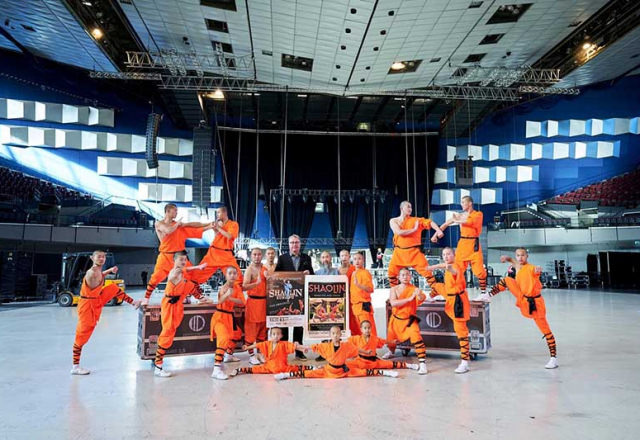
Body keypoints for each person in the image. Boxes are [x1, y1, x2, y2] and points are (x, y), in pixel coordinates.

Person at [476, 248, 558, 369]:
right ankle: (487, 295)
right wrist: (506, 258)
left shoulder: (531, 268)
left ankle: (553, 358)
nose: (520, 258)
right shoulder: (518, 266)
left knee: (546, 330)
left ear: (527, 256)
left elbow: (535, 272)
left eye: (523, 255)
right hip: (522, 297)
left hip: (535, 302)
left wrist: (538, 271)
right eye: (518, 255)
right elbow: (513, 261)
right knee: (507, 280)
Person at [71, 250, 141, 375]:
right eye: (99, 257)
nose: (102, 259)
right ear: (92, 258)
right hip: (88, 305)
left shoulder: (97, 271)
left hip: (96, 299)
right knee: (82, 334)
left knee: (113, 288)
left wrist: (109, 271)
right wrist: (107, 272)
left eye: (103, 257)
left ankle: (133, 302)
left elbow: (100, 275)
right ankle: (75, 366)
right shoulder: (92, 272)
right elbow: (97, 276)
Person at [153, 252, 210, 377]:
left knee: (171, 331)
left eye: (185, 260)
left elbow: (187, 278)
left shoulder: (182, 273)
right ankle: (158, 365)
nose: (183, 262)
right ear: (174, 260)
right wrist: (196, 268)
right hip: (170, 305)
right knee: (167, 332)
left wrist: (199, 296)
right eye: (181, 259)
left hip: (178, 305)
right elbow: (179, 273)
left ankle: (158, 363)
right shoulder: (173, 273)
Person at [274, 326, 398, 380]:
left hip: (343, 371)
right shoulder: (325, 346)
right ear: (330, 335)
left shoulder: (346, 345)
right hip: (328, 370)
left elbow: (357, 349)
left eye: (337, 333)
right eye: (333, 334)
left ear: (340, 334)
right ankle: (285, 375)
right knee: (306, 373)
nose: (335, 335)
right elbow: (311, 347)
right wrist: (300, 347)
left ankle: (386, 373)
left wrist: (366, 351)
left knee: (366, 372)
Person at [144, 203, 212, 301]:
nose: (177, 213)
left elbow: (195, 229)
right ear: (168, 211)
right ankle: (146, 298)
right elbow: (168, 230)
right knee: (156, 277)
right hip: (165, 256)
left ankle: (200, 297)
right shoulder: (159, 223)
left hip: (179, 256)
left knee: (191, 276)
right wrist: (178, 223)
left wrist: (209, 225)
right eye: (175, 210)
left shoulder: (178, 226)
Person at [427, 247, 471, 374]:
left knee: (461, 331)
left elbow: (452, 269)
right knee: (439, 285)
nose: (446, 257)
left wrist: (446, 268)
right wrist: (433, 267)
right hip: (450, 296)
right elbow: (445, 265)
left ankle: (464, 362)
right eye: (444, 254)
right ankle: (430, 296)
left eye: (448, 254)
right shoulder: (449, 264)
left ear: (454, 255)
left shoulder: (455, 267)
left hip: (458, 301)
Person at [381, 267, 428, 375]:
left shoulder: (414, 288)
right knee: (391, 340)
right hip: (396, 320)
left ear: (410, 276)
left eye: (407, 274)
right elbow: (393, 303)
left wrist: (419, 293)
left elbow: (421, 298)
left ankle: (422, 363)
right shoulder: (394, 289)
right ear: (398, 277)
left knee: (417, 338)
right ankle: (391, 352)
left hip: (409, 320)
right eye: (403, 274)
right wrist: (409, 299)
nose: (405, 276)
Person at [274, 234, 314, 359]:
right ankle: (284, 351)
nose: (294, 245)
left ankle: (299, 351)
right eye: (292, 243)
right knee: (284, 325)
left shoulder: (306, 258)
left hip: (301, 296)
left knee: (299, 325)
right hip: (286, 297)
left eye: (296, 242)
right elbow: (275, 276)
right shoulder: (282, 258)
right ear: (289, 244)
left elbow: (312, 273)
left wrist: (309, 273)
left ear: (300, 244)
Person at [388, 200, 443, 288]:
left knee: (427, 271)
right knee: (391, 273)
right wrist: (414, 230)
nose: (410, 209)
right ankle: (395, 291)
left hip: (414, 252)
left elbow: (429, 222)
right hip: (399, 252)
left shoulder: (416, 220)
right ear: (402, 208)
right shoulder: (393, 220)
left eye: (411, 207)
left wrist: (438, 230)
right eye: (408, 207)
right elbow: (398, 232)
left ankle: (436, 290)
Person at [439, 196, 487, 296]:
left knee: (479, 270)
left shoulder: (478, 214)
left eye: (463, 202)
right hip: (463, 244)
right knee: (456, 268)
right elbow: (445, 224)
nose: (461, 204)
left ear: (470, 203)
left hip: (473, 244)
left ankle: (483, 293)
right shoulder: (460, 216)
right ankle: (451, 290)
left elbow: (471, 222)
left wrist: (457, 221)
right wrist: (436, 234)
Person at [191, 206, 243, 286]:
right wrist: (215, 229)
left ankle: (237, 294)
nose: (217, 214)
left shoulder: (233, 224)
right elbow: (202, 226)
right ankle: (188, 292)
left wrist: (218, 228)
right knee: (197, 274)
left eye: (219, 212)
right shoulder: (217, 224)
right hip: (213, 252)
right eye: (216, 213)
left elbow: (230, 236)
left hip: (226, 254)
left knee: (237, 278)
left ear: (225, 213)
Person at [229, 327, 313, 376]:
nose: (276, 336)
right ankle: (239, 370)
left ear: (281, 336)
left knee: (296, 368)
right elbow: (257, 345)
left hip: (282, 368)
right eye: (274, 334)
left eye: (278, 334)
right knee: (254, 369)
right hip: (269, 367)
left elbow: (295, 346)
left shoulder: (284, 344)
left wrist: (304, 348)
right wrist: (247, 347)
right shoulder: (267, 344)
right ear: (270, 335)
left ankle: (312, 368)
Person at [211, 266, 246, 380]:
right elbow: (220, 301)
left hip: (229, 317)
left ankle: (229, 355)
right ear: (226, 275)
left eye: (234, 273)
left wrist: (230, 298)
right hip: (220, 317)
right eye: (230, 273)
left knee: (237, 333)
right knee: (224, 338)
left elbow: (242, 302)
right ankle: (216, 369)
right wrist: (227, 295)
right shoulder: (223, 288)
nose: (232, 275)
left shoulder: (237, 287)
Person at [347, 320, 419, 371]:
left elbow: (384, 341)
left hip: (373, 362)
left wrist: (392, 342)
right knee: (345, 364)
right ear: (361, 329)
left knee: (390, 364)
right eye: (365, 328)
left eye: (369, 328)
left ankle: (408, 365)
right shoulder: (356, 338)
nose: (367, 330)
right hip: (361, 361)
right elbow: (346, 341)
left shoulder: (374, 339)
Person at [242, 248, 268, 366]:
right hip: (253, 303)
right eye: (254, 254)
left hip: (264, 302)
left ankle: (261, 354)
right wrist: (256, 283)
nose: (257, 256)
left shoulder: (265, 269)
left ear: (261, 256)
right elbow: (244, 287)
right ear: (251, 256)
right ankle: (252, 355)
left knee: (263, 331)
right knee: (251, 331)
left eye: (259, 254)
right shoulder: (249, 270)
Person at [350, 252, 377, 337]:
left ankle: (372, 348)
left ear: (363, 260)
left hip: (363, 306)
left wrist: (359, 285)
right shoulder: (353, 273)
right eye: (355, 259)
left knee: (367, 330)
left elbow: (370, 289)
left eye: (359, 259)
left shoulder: (365, 273)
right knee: (359, 331)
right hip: (355, 307)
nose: (357, 261)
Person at [337, 249, 360, 337]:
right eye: (342, 256)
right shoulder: (337, 270)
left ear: (349, 257)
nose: (344, 257)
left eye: (346, 255)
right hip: (341, 297)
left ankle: (357, 337)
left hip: (353, 297)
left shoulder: (355, 269)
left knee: (354, 318)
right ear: (340, 258)